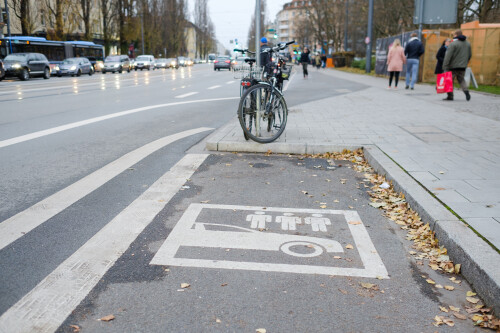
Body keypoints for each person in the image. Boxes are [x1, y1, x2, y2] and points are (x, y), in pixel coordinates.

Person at [443, 30, 472, 101]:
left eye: (454, 34)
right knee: (461, 80)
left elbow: (448, 56)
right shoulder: (468, 44)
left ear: (456, 35)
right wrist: (465, 62)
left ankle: (450, 96)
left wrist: (445, 65)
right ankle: (466, 91)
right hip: (462, 66)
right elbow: (470, 55)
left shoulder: (453, 44)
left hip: (452, 66)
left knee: (449, 81)